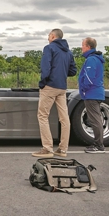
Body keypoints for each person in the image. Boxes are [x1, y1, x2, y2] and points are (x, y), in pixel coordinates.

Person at [32, 28, 77, 158]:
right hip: (62, 87)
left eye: (48, 35)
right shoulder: (68, 52)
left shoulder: (49, 48)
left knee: (43, 116)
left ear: (52, 36)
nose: (48, 37)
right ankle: (63, 149)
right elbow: (73, 71)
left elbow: (45, 68)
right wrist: (61, 73)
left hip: (50, 86)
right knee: (64, 118)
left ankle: (47, 148)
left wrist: (43, 82)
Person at [79, 37, 106, 154]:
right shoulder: (95, 59)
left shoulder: (91, 60)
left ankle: (99, 145)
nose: (81, 47)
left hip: (92, 93)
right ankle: (98, 144)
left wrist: (84, 89)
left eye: (83, 45)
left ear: (88, 47)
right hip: (95, 92)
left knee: (95, 120)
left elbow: (89, 77)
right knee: (96, 119)